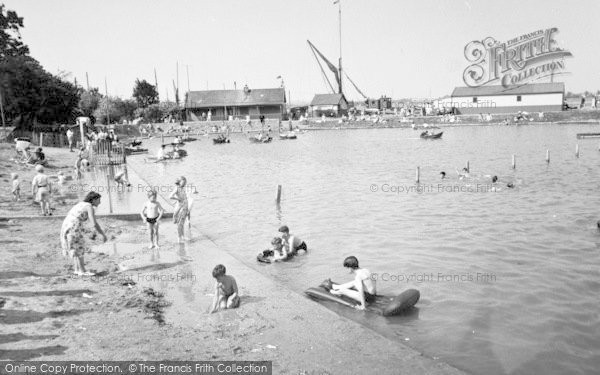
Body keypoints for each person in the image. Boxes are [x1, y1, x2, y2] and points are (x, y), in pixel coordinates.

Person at [60, 191, 107, 276]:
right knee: (79, 247)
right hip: (74, 226)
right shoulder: (89, 207)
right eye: (99, 200)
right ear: (93, 200)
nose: (100, 202)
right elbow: (94, 223)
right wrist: (102, 234)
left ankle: (77, 270)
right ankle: (83, 271)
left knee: (75, 247)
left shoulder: (82, 204)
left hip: (67, 225)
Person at [169, 176, 189, 242]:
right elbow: (170, 196)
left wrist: (187, 209)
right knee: (179, 223)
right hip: (180, 208)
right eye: (183, 182)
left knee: (182, 223)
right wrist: (177, 199)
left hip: (185, 207)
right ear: (179, 182)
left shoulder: (183, 188)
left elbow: (185, 198)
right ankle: (179, 238)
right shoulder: (177, 188)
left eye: (185, 182)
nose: (185, 184)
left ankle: (182, 236)